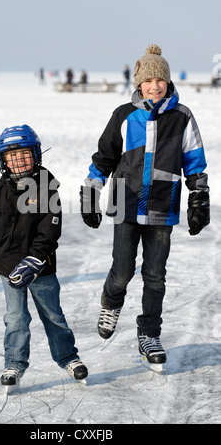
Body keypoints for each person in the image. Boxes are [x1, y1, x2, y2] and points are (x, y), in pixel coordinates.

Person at [80, 44, 210, 367]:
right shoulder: (124, 115)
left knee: (155, 276)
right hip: (125, 203)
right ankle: (111, 301)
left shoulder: (182, 117)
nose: (154, 86)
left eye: (160, 80)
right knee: (122, 271)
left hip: (162, 207)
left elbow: (194, 162)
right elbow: (104, 157)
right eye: (148, 80)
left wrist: (199, 198)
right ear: (139, 84)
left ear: (167, 82)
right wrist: (90, 193)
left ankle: (149, 332)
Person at [0, 125, 88, 387]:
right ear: (3, 161)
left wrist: (35, 259)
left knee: (53, 316)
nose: (18, 161)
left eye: (24, 155)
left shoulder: (46, 188)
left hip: (41, 268)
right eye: (12, 156)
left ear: (36, 155)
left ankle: (68, 357)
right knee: (16, 319)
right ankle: (14, 364)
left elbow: (50, 230)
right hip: (8, 267)